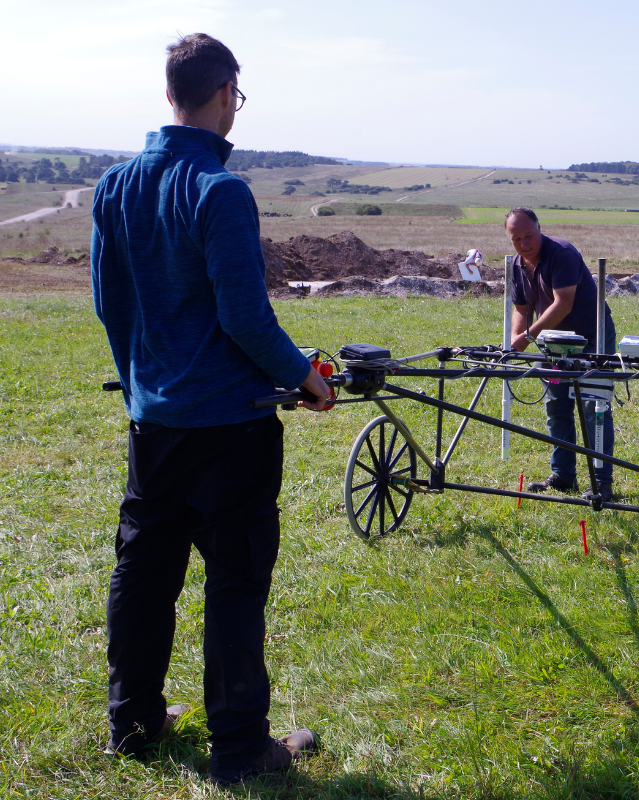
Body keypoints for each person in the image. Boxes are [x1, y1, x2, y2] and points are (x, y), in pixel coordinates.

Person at [91, 33, 329, 786]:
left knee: (144, 572)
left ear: (171, 94)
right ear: (225, 93)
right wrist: (307, 379)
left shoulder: (115, 186)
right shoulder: (220, 190)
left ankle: (132, 724)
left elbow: (108, 302)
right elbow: (245, 318)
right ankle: (239, 751)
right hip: (230, 429)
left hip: (152, 422)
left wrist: (143, 375)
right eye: (239, 96)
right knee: (234, 582)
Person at [506, 207, 617, 502]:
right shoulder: (518, 265)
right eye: (516, 239)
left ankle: (601, 482)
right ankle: (564, 476)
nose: (524, 244)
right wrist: (515, 339)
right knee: (557, 407)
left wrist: (528, 337)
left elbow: (563, 303)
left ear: (540, 229)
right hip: (553, 341)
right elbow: (522, 309)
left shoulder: (562, 253)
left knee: (596, 408)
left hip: (591, 336)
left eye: (528, 235)